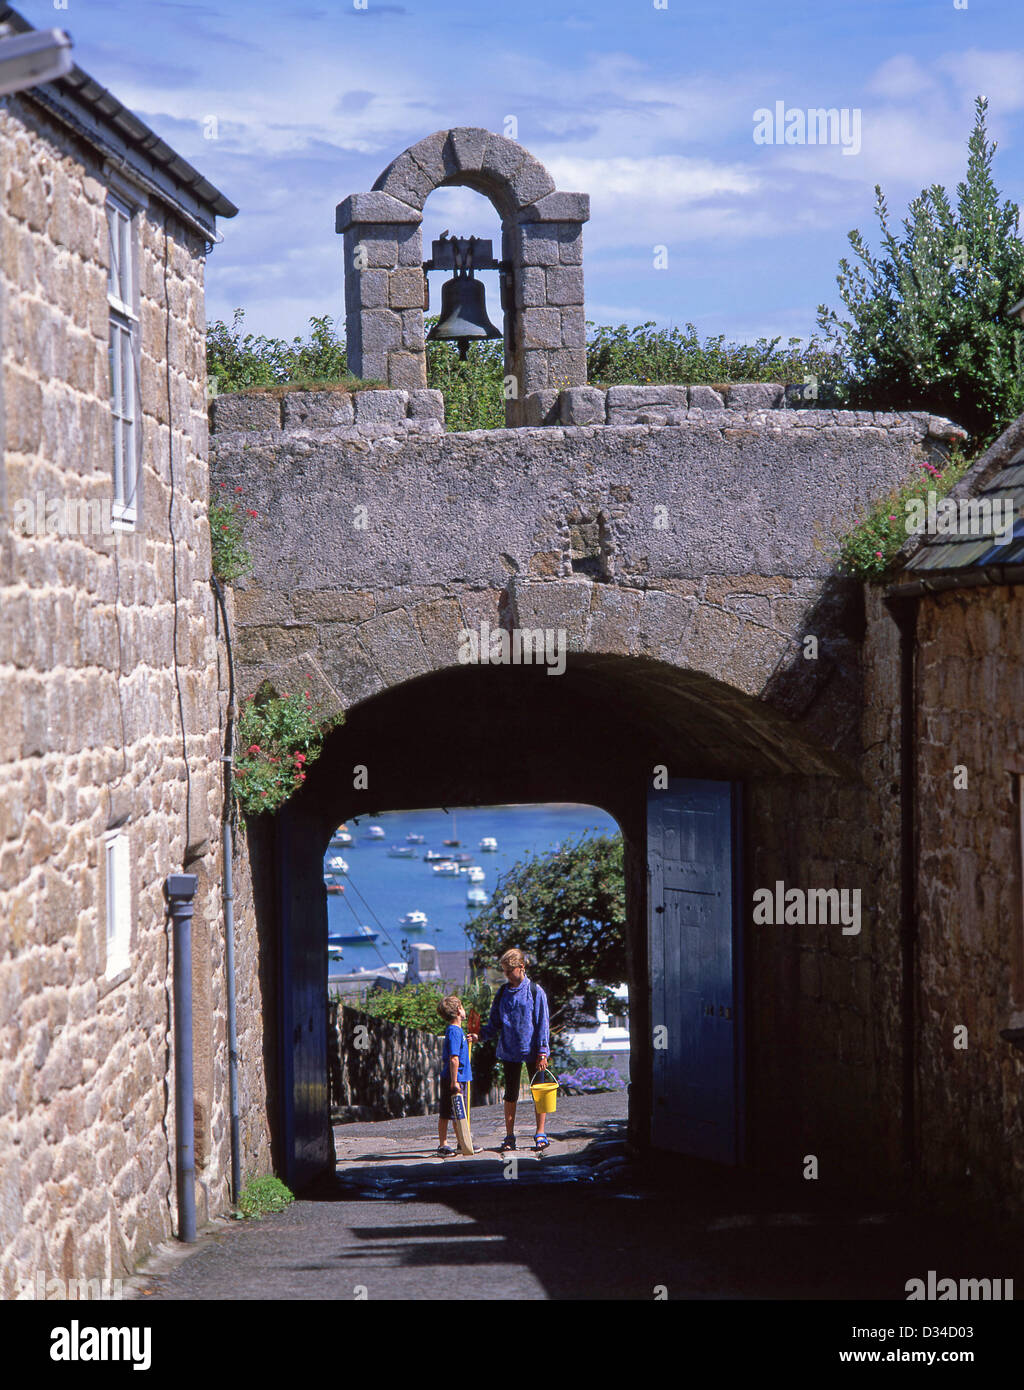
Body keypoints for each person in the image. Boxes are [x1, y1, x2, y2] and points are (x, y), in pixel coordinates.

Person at [478, 948, 551, 1151]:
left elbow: (543, 1023)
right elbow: (494, 1023)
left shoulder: (536, 991)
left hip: (533, 1050)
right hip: (509, 1050)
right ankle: (509, 1136)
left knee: (539, 1092)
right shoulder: (502, 993)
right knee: (510, 1094)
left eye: (510, 971)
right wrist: (480, 1035)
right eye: (505, 972)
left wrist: (543, 1051)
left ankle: (541, 1132)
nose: (507, 975)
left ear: (521, 967)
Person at [436, 994, 474, 1157]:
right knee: (448, 1112)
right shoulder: (453, 1031)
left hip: (460, 1078)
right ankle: (443, 1144)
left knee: (459, 1113)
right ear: (459, 1010)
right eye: (463, 1006)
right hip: (454, 1079)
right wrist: (454, 1081)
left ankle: (462, 1142)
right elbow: (454, 1058)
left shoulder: (458, 1031)